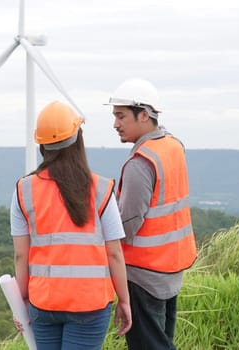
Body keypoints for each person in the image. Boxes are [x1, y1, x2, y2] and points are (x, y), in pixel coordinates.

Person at [10, 100, 132, 350]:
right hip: (89, 305)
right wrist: (124, 300)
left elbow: (21, 255)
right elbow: (114, 254)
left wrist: (20, 303)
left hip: (43, 304)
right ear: (78, 140)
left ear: (41, 144)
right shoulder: (101, 189)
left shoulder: (24, 190)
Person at [104, 78, 198, 350]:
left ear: (144, 115)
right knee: (163, 342)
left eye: (121, 116)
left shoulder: (141, 163)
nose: (115, 124)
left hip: (144, 274)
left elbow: (126, 225)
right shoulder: (173, 147)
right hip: (171, 268)